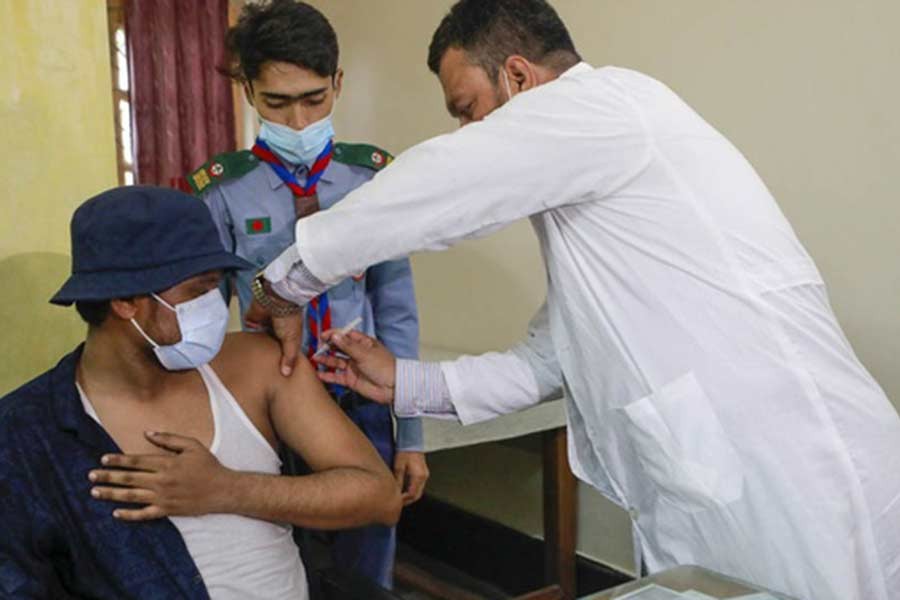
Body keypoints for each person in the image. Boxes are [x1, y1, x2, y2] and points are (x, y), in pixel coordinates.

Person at [246, 1, 900, 599]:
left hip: (798, 483)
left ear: (520, 79)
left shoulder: (608, 108)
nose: (474, 130)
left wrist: (285, 284)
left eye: (471, 109)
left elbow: (446, 185)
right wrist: (405, 381)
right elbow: (549, 359)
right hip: (729, 494)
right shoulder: (604, 192)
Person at [0, 186, 400, 599]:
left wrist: (227, 490)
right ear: (124, 300)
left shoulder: (258, 366)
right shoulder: (28, 433)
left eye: (216, 287)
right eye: (197, 291)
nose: (216, 305)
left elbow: (379, 496)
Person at [185, 2, 428, 587]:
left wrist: (411, 437)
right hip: (270, 404)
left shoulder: (372, 179)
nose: (297, 120)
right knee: (278, 564)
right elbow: (206, 318)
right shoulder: (222, 190)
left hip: (361, 398)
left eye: (314, 98)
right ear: (248, 91)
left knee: (366, 568)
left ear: (338, 84)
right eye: (277, 101)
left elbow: (397, 312)